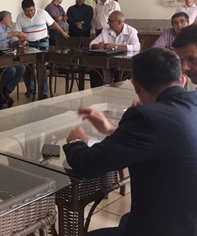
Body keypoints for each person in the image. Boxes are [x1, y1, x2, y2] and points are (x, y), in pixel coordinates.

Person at [64, 48, 197, 236]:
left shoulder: (145, 117)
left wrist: (77, 141)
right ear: (182, 80)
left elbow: (88, 164)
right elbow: (162, 142)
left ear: (135, 85)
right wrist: (111, 130)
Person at [15, 0, 69, 98]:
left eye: (31, 10)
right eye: (27, 11)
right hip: (29, 44)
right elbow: (18, 33)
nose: (29, 13)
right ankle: (30, 89)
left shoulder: (42, 13)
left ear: (34, 6)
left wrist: (62, 32)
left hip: (42, 42)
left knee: (41, 67)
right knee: (28, 67)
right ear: (23, 10)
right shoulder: (20, 17)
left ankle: (44, 92)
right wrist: (22, 40)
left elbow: (53, 23)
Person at [89, 11, 140, 88]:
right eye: (108, 20)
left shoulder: (131, 31)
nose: (108, 23)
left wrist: (115, 46)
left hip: (124, 65)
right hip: (108, 64)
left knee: (120, 73)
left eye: (111, 21)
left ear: (119, 22)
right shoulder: (106, 29)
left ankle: (116, 93)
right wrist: (98, 46)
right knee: (94, 71)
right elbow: (92, 43)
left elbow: (136, 47)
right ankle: (99, 93)